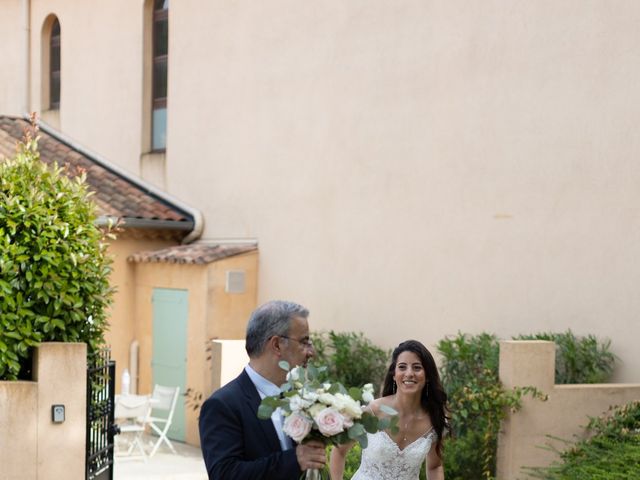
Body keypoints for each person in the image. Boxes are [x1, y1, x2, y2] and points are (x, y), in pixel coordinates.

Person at [199, 300, 327, 479]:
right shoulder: (223, 405)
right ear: (276, 345)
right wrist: (294, 460)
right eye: (304, 342)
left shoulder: (301, 398)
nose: (311, 352)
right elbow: (224, 474)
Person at [330, 340, 451, 480]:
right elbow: (339, 451)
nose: (409, 373)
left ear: (428, 376)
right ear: (394, 374)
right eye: (402, 367)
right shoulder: (373, 411)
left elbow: (434, 466)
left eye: (417, 367)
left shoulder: (434, 420)